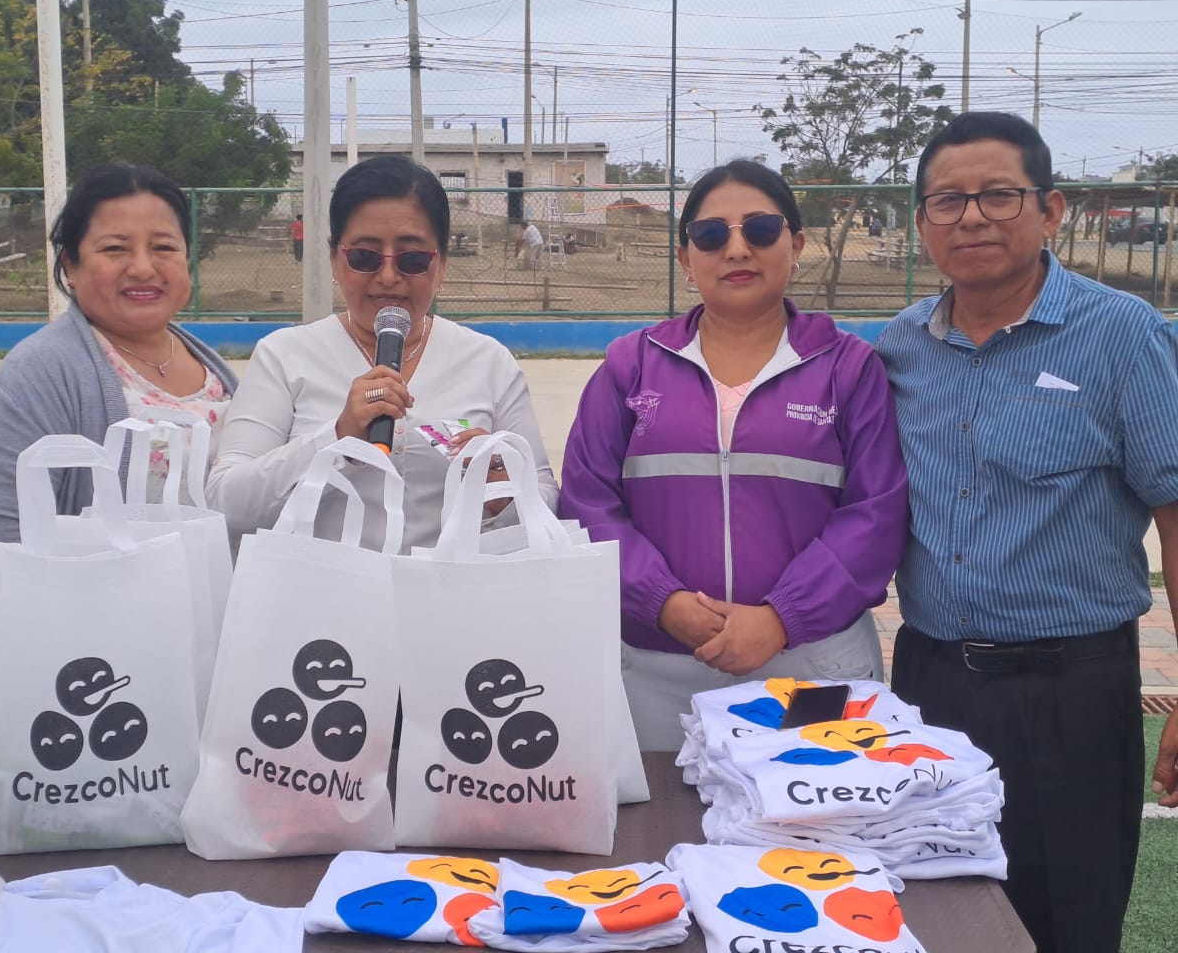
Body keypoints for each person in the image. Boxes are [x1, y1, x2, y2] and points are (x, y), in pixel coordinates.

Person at [874, 111, 1178, 953]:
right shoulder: (902, 347)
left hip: (1071, 690)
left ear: (1051, 210)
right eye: (947, 201)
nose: (971, 217)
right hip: (930, 681)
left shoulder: (1122, 335)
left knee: (1066, 921)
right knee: (934, 913)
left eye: (998, 196)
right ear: (923, 224)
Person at [558, 159, 908, 752]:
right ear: (685, 256)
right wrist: (662, 603)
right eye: (711, 234)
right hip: (656, 668)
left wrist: (782, 617)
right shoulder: (629, 365)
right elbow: (586, 504)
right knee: (659, 811)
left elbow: (876, 515)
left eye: (762, 230)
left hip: (812, 663)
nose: (737, 249)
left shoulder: (849, 368)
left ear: (797, 245)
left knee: (808, 803)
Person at [207, 154, 558, 551]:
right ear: (335, 260)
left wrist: (501, 492)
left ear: (441, 265)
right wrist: (337, 438)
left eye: (412, 259)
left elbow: (545, 497)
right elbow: (225, 503)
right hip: (321, 587)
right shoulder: (284, 357)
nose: (388, 277)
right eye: (364, 257)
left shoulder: (488, 362)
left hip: (449, 587)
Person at [0, 162, 238, 604]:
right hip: (107, 638)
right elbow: (4, 547)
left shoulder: (214, 368)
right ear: (70, 265)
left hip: (218, 631)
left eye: (164, 247)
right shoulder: (36, 375)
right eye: (115, 248)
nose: (143, 267)